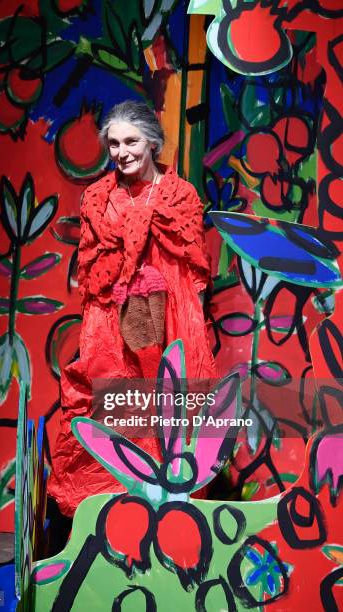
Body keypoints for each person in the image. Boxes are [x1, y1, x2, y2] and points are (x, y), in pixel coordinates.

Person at [46, 101, 217, 551]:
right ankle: (97, 540)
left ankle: (171, 542)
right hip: (111, 323)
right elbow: (91, 269)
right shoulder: (98, 198)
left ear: (152, 142)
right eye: (114, 143)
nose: (121, 152)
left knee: (171, 421)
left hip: (173, 319)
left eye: (131, 141)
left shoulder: (180, 196)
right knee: (109, 417)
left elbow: (194, 266)